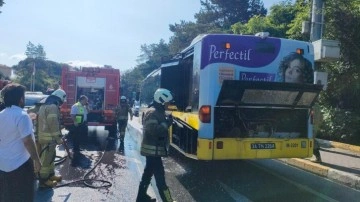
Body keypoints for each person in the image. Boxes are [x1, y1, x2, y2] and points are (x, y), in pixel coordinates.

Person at [0, 83, 42, 202]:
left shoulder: (1, 115)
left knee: (6, 196)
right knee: (24, 196)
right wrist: (37, 160)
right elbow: (27, 140)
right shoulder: (22, 116)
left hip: (2, 165)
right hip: (20, 165)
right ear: (21, 99)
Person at [136, 88, 175, 202]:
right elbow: (154, 130)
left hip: (154, 151)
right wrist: (167, 123)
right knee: (160, 179)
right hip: (153, 152)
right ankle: (168, 200)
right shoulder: (152, 112)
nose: (169, 104)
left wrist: (167, 120)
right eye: (168, 102)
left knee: (147, 175)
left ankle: (141, 198)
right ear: (161, 101)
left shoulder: (159, 111)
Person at [37, 89, 66, 188]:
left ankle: (51, 175)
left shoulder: (45, 105)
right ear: (60, 98)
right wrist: (58, 138)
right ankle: (44, 181)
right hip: (49, 139)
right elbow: (53, 124)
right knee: (45, 161)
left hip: (47, 138)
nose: (61, 104)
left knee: (51, 158)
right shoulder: (53, 107)